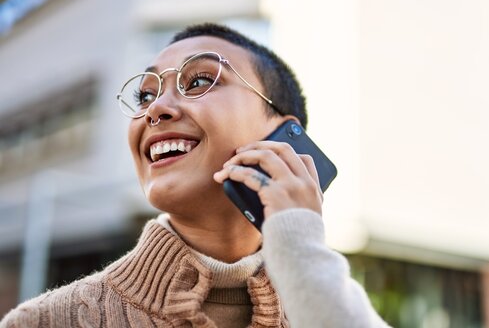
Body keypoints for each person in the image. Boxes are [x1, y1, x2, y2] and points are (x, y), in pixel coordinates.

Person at [0, 23, 390, 327]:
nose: (156, 110)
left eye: (200, 81)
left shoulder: (329, 304)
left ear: (283, 138)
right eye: (146, 95)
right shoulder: (43, 323)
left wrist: (302, 250)